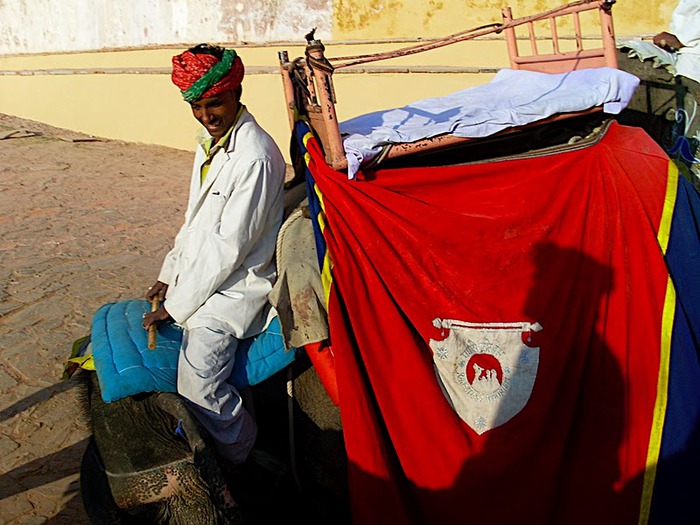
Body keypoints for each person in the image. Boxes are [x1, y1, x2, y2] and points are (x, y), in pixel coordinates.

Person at [142, 43, 286, 465]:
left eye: (215, 104)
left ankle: (244, 458)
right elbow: (195, 220)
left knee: (198, 388)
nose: (207, 116)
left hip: (235, 289)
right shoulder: (211, 144)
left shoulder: (255, 157)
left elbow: (230, 247)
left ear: (236, 94)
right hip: (203, 275)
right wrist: (170, 272)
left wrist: (176, 305)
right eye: (198, 106)